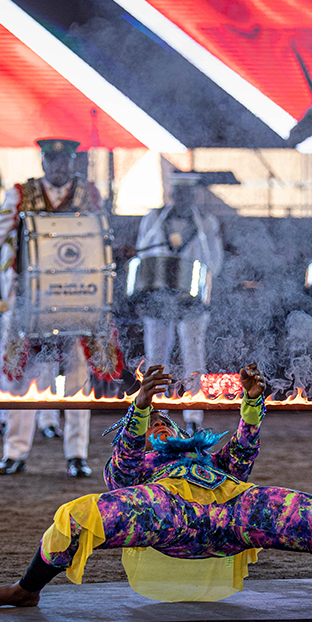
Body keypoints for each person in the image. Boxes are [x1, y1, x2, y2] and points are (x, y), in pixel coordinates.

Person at [0, 362, 312, 608]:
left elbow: (242, 455)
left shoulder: (208, 460)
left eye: (164, 420)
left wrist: (252, 402)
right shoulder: (134, 468)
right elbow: (123, 469)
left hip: (233, 511)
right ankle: (26, 590)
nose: (160, 423)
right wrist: (140, 406)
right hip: (167, 513)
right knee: (75, 517)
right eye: (150, 423)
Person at [0, 138, 104, 478]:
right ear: (43, 162)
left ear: (73, 162)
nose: (58, 167)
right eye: (52, 160)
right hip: (27, 301)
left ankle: (77, 455)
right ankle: (14, 452)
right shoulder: (20, 194)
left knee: (77, 376)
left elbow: (101, 240)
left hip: (75, 297)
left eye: (64, 160)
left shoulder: (88, 194)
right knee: (19, 373)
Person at [134, 171, 223, 435]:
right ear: (172, 193)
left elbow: (215, 261)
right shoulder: (153, 219)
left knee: (194, 356)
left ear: (194, 194)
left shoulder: (207, 222)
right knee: (155, 358)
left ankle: (194, 415)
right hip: (157, 297)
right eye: (179, 192)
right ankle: (154, 413)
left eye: (188, 193)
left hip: (190, 299)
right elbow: (142, 253)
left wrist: (197, 284)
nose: (183, 197)